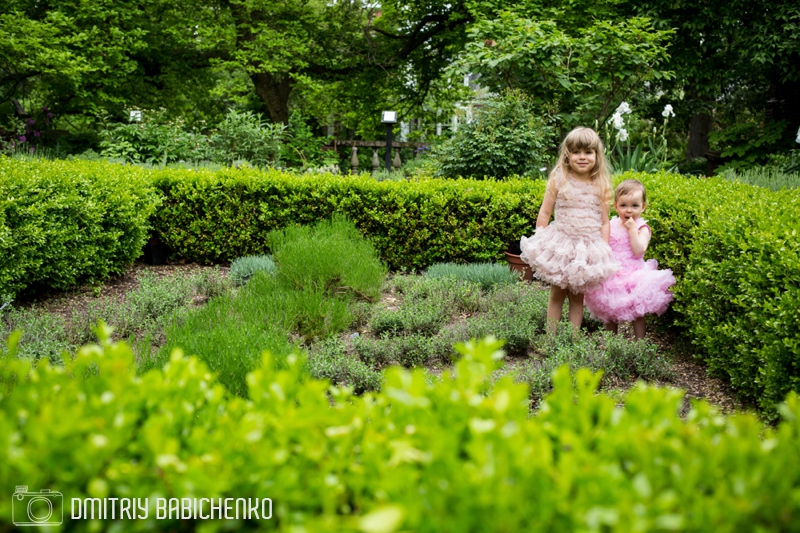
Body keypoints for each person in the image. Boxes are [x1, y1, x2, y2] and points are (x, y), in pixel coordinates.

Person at [520, 127, 619, 332]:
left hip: (586, 249)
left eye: (588, 152)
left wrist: (603, 249)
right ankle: (551, 339)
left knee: (577, 297)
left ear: (597, 156)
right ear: (567, 155)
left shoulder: (600, 184)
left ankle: (572, 341)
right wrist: (540, 240)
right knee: (556, 294)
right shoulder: (559, 179)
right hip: (562, 246)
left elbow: (604, 222)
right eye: (576, 152)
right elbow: (545, 212)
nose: (582, 157)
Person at [584, 179, 676, 339]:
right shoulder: (610, 225)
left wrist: (632, 230)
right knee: (609, 312)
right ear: (615, 206)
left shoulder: (642, 228)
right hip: (612, 276)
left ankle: (640, 343)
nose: (629, 210)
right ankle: (611, 343)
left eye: (634, 206)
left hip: (635, 276)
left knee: (637, 313)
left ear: (643, 207)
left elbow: (639, 250)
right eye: (623, 205)